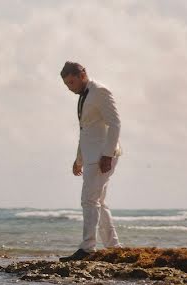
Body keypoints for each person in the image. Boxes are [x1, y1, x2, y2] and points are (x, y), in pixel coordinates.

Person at [59, 61, 123, 262]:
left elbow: (115, 123)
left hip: (102, 156)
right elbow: (85, 129)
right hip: (90, 156)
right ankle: (113, 247)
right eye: (67, 85)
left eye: (72, 82)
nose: (70, 88)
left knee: (89, 200)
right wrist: (79, 159)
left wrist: (107, 154)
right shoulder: (83, 96)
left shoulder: (100, 91)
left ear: (82, 75)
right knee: (98, 201)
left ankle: (87, 248)